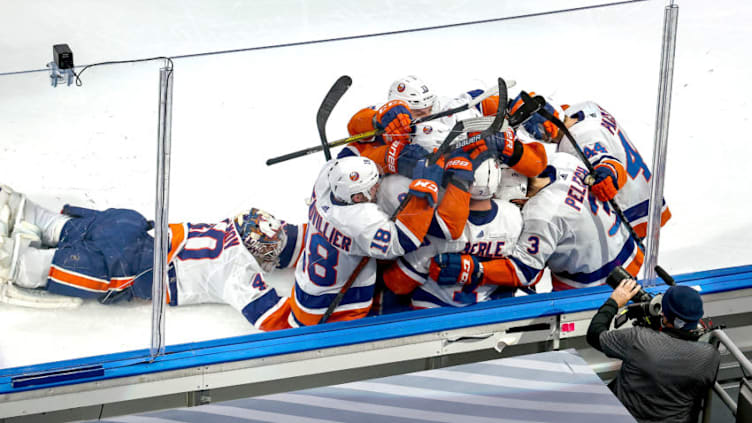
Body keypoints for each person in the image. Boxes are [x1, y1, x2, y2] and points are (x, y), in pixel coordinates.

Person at [0, 185, 297, 331]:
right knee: (67, 267)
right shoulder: (239, 273)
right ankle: (15, 260)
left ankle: (21, 211)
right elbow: (275, 319)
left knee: (64, 226)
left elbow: (290, 237)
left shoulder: (230, 225)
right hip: (134, 267)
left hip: (131, 228)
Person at [287, 154, 473, 326]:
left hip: (304, 288)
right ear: (358, 198)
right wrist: (424, 188)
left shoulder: (324, 182)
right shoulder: (359, 220)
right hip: (339, 308)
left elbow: (344, 157)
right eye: (372, 186)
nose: (378, 186)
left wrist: (396, 154)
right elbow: (404, 241)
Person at [429, 152, 645, 292]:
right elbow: (610, 160)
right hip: (630, 249)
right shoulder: (562, 160)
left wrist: (475, 269)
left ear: (519, 199)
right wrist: (611, 173)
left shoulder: (540, 216)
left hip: (595, 285)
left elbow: (525, 271)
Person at [510, 93, 671, 238]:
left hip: (632, 213)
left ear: (546, 128)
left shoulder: (577, 143)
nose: (538, 138)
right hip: (646, 191)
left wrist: (607, 177)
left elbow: (608, 165)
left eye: (534, 132)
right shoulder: (585, 108)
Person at [340, 75, 549, 180]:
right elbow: (356, 127)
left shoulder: (455, 107)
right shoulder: (390, 120)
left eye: (428, 107)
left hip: (484, 179)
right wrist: (377, 119)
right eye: (418, 113)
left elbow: (538, 165)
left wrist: (511, 147)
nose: (426, 113)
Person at [382, 155, 525, 308]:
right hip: (487, 313)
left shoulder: (439, 226)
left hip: (433, 311)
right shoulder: (514, 216)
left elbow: (399, 283)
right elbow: (527, 271)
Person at [587, 277, 721, 423]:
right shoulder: (710, 356)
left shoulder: (639, 339)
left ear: (664, 316)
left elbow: (594, 335)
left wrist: (614, 302)